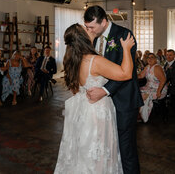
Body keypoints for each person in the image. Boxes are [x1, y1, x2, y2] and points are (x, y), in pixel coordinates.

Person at [54, 23, 135, 173]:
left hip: (84, 109)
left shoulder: (73, 59)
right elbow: (126, 74)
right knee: (99, 151)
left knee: (86, 150)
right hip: (98, 111)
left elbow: (75, 88)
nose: (89, 29)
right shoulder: (94, 61)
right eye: (86, 29)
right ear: (82, 37)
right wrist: (126, 49)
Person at [83, 6, 143, 174]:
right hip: (102, 105)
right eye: (87, 27)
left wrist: (105, 90)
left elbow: (127, 72)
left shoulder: (125, 35)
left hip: (124, 100)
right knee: (108, 144)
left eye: (92, 27)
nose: (89, 31)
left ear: (103, 21)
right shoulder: (92, 37)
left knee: (126, 147)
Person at [138, 54, 167, 123]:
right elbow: (141, 75)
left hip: (159, 88)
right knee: (136, 92)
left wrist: (159, 92)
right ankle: (140, 114)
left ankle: (144, 115)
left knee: (143, 95)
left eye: (152, 57)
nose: (149, 59)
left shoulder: (157, 67)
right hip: (149, 87)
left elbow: (163, 80)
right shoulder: (147, 67)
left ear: (156, 59)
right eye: (148, 57)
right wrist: (131, 75)